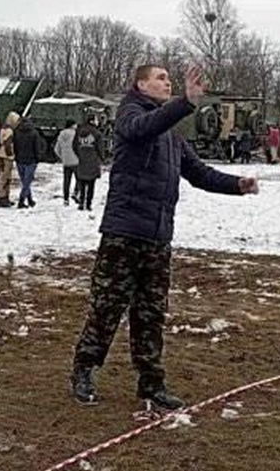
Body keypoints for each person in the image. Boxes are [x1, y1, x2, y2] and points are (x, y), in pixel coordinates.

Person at [70, 65, 258, 409]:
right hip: (123, 233)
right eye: (160, 78)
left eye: (170, 80)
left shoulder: (171, 133)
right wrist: (185, 102)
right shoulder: (131, 113)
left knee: (151, 314)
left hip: (158, 238)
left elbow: (198, 172)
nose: (167, 82)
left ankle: (151, 384)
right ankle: (84, 369)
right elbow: (142, 128)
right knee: (106, 308)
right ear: (141, 84)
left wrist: (236, 185)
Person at [14, 113, 46, 209]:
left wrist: (16, 157)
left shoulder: (16, 132)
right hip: (31, 160)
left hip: (20, 159)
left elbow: (15, 146)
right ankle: (21, 201)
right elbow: (37, 147)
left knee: (25, 182)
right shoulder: (34, 133)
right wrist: (38, 157)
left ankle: (29, 200)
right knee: (27, 182)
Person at [73, 114, 103, 212]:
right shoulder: (97, 133)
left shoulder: (79, 132)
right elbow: (100, 149)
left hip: (82, 160)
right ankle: (88, 204)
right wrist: (101, 158)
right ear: (93, 121)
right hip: (93, 161)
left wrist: (79, 155)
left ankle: (81, 203)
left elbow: (74, 146)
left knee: (82, 183)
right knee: (91, 185)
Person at [0, 112, 18, 208]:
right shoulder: (9, 131)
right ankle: (1, 198)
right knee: (5, 178)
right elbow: (8, 144)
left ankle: (4, 198)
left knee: (3, 176)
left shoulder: (2, 129)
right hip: (6, 156)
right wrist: (11, 154)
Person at [54, 118, 78, 205]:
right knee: (79, 179)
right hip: (76, 160)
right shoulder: (76, 134)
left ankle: (66, 199)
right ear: (72, 125)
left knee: (66, 180)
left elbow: (56, 149)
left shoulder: (61, 135)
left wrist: (62, 157)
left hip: (66, 161)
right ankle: (76, 193)